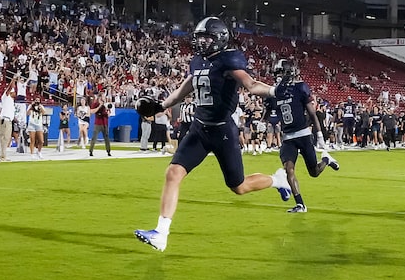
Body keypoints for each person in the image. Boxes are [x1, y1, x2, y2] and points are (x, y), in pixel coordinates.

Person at [133, 16, 292, 252]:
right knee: (173, 173)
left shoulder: (229, 60)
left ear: (219, 39)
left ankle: (277, 180)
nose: (201, 43)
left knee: (238, 187)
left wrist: (272, 90)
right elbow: (182, 90)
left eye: (206, 38)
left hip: (222, 131)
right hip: (199, 128)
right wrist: (160, 106)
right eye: (199, 38)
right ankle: (161, 233)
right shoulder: (198, 61)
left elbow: (250, 84)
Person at [266, 58, 339, 213]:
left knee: (314, 172)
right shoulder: (274, 92)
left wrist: (319, 135)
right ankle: (300, 204)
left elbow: (312, 114)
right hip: (287, 138)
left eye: (279, 73)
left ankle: (326, 159)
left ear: (287, 73)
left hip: (303, 134)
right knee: (289, 170)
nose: (277, 76)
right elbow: (268, 112)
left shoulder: (300, 87)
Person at [0, 73, 19, 162]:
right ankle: (3, 156)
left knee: (5, 138)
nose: (15, 93)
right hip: (4, 120)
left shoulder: (11, 102)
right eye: (14, 92)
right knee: (5, 138)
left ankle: (3, 155)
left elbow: (11, 113)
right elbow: (9, 88)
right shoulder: (6, 97)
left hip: (7, 119)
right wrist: (13, 79)